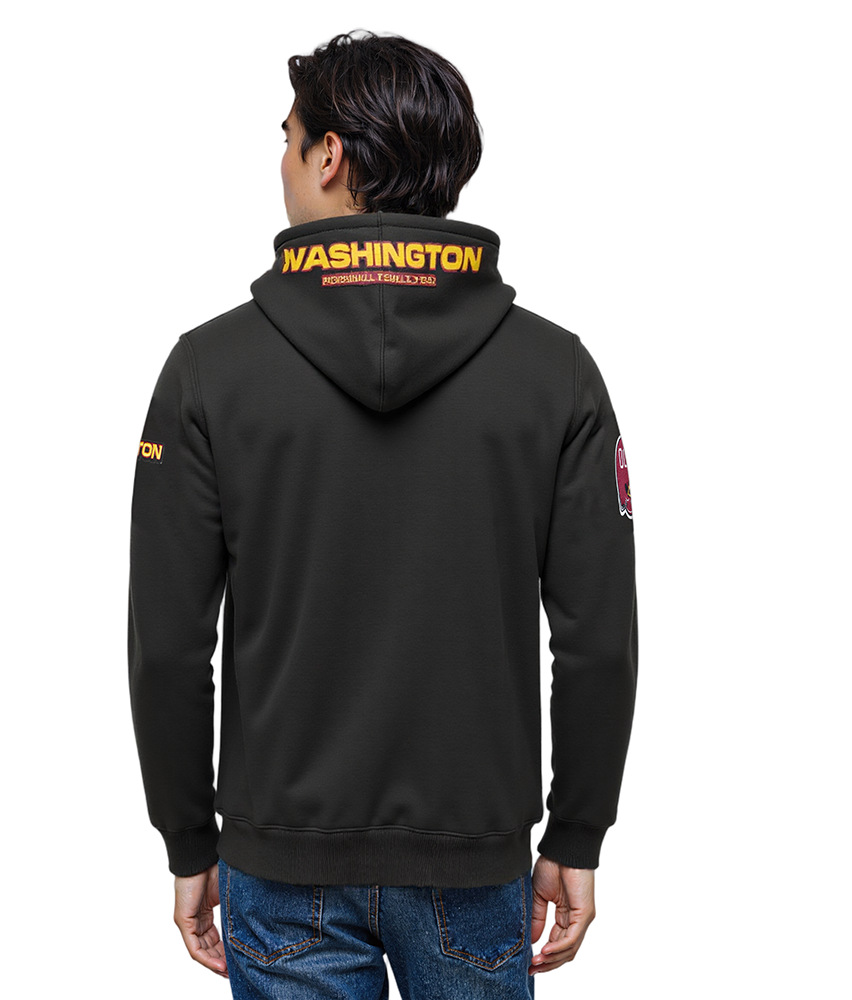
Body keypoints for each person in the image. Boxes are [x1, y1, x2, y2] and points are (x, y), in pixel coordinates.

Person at [128, 29, 637, 999]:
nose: (282, 164)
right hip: (474, 861)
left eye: (287, 141)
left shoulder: (207, 370)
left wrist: (187, 837)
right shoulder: (556, 372)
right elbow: (597, 639)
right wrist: (577, 830)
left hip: (279, 866)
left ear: (329, 157)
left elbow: (168, 645)